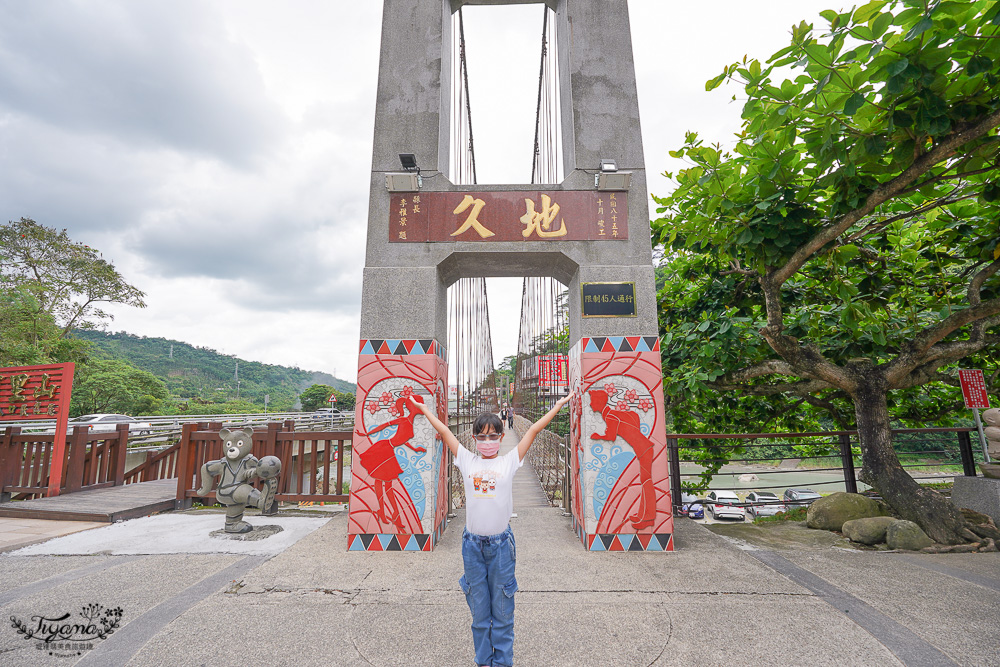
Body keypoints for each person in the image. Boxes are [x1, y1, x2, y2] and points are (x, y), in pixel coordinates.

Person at [409, 392, 572, 667]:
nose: (487, 442)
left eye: (493, 436)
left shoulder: (509, 461)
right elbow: (445, 431)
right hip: (472, 546)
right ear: (474, 439)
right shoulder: (466, 460)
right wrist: (425, 410)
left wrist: (557, 406)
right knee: (480, 614)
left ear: (501, 437)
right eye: (482, 437)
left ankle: (502, 663)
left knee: (503, 613)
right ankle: (484, 661)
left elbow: (533, 429)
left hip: (500, 547)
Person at [355, 395, 427, 530]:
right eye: (419, 404)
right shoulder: (403, 419)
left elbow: (402, 439)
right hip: (384, 448)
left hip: (389, 449)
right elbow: (383, 426)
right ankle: (386, 512)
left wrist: (415, 449)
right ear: (413, 407)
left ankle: (390, 513)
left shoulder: (409, 422)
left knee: (386, 483)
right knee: (382, 480)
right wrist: (366, 434)